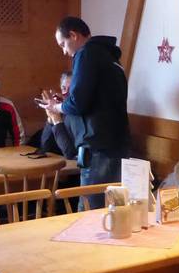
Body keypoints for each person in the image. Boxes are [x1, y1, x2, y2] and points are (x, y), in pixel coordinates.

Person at [46, 17, 130, 198]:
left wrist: (57, 107)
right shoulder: (109, 55)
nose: (64, 51)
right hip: (117, 143)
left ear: (73, 35)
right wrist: (66, 102)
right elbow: (95, 99)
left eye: (63, 44)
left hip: (98, 146)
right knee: (110, 206)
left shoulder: (86, 54)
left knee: (89, 207)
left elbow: (78, 103)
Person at [38, 71, 76, 160]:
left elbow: (70, 154)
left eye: (71, 89)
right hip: (58, 162)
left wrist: (57, 120)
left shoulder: (77, 115)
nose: (66, 93)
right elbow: (45, 147)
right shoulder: (61, 109)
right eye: (64, 88)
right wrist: (50, 118)